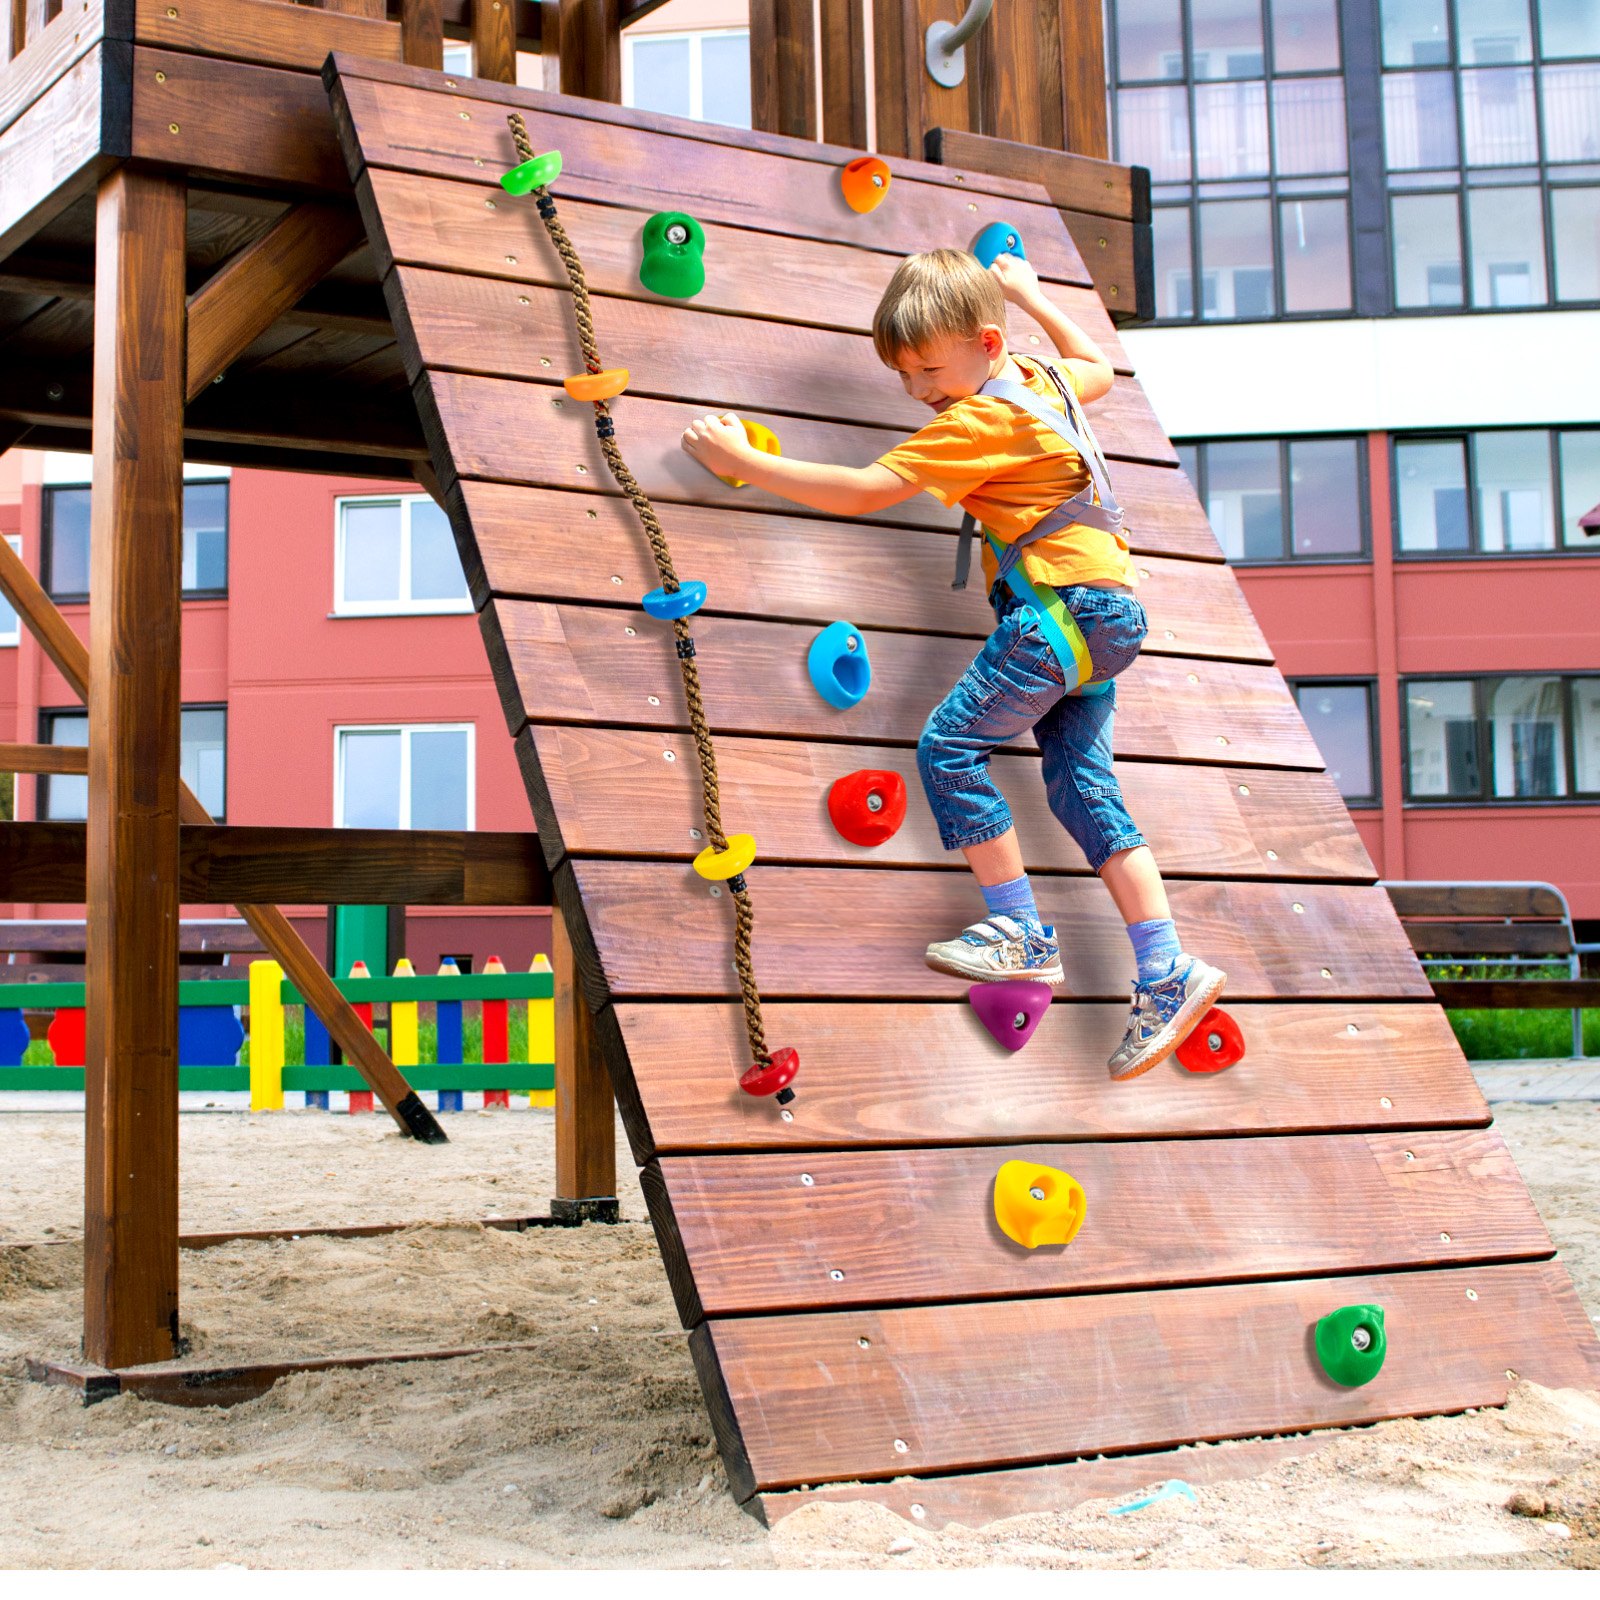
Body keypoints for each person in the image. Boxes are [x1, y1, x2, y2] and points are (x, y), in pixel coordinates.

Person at [680, 247, 1225, 1080]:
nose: (920, 390)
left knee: (950, 747)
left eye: (929, 367)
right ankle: (1166, 967)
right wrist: (1033, 296)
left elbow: (864, 490)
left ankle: (1017, 930)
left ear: (985, 344)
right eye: (903, 375)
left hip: (1058, 613)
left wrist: (742, 462)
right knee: (1084, 789)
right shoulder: (1038, 384)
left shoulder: (979, 423)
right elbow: (1096, 369)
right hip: (1110, 617)